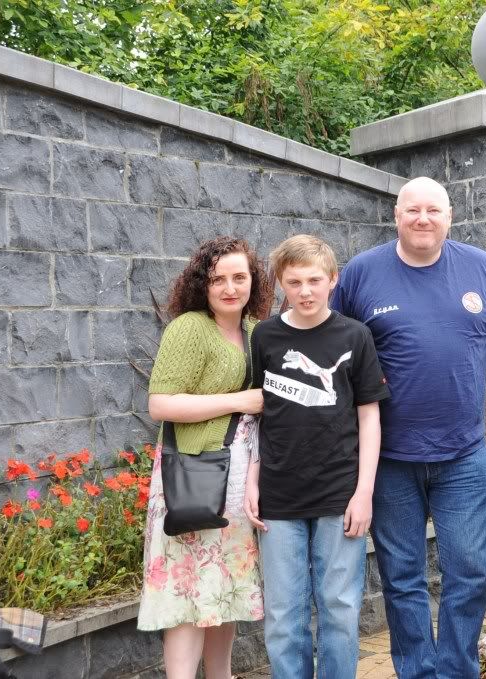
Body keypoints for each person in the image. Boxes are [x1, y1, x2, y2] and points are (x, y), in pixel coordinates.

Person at [331, 176, 486, 679]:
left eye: (433, 209)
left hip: (464, 459)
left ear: (449, 216)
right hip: (389, 461)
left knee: (469, 576)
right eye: (412, 210)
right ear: (396, 216)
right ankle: (416, 672)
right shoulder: (363, 274)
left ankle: (455, 671)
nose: (423, 219)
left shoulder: (482, 269)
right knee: (402, 579)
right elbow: (329, 342)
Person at [244, 235, 390, 679]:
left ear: (332, 281)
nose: (305, 291)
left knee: (340, 611)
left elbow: (369, 417)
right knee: (284, 616)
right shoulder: (266, 336)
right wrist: (252, 479)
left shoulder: (355, 335)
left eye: (314, 280)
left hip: (339, 494)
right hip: (279, 495)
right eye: (294, 282)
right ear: (280, 284)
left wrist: (364, 492)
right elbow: (257, 413)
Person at [138, 236, 273, 679]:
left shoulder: (255, 330)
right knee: (186, 592)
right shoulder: (190, 328)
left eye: (240, 277)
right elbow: (161, 404)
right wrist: (238, 400)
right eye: (219, 279)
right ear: (203, 283)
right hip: (194, 476)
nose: (230, 287)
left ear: (253, 280)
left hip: (236, 482)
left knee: (225, 588)